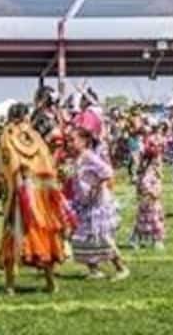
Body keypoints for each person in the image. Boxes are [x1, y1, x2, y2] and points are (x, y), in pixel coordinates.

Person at [0, 103, 71, 295]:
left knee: (14, 236)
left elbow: (8, 164)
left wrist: (13, 187)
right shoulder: (36, 137)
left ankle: (10, 286)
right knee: (43, 236)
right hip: (40, 193)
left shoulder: (7, 135)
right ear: (25, 117)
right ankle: (50, 283)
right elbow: (47, 163)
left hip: (20, 193)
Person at [66, 117, 129, 280]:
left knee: (101, 237)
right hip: (83, 203)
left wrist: (96, 186)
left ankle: (121, 268)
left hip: (96, 203)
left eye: (72, 140)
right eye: (69, 140)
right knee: (81, 236)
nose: (70, 143)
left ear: (84, 141)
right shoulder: (77, 159)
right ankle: (94, 269)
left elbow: (107, 172)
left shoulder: (89, 156)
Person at [129, 121, 168, 249]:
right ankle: (137, 238)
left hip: (152, 178)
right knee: (145, 211)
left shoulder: (156, 141)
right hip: (146, 177)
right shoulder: (142, 144)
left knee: (154, 211)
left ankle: (156, 238)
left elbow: (156, 154)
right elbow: (141, 160)